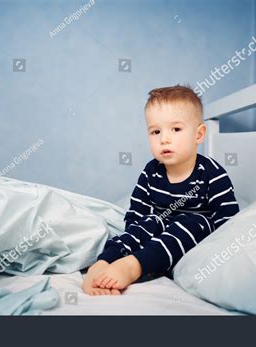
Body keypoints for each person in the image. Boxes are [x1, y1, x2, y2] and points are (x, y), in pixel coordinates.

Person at [82, 85, 239, 296]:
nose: (164, 139)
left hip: (193, 230)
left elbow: (228, 221)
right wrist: (134, 237)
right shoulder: (151, 171)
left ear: (199, 134)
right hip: (160, 224)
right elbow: (137, 211)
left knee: (190, 224)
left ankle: (133, 266)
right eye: (156, 131)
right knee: (143, 225)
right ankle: (102, 264)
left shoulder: (211, 172)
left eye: (176, 129)